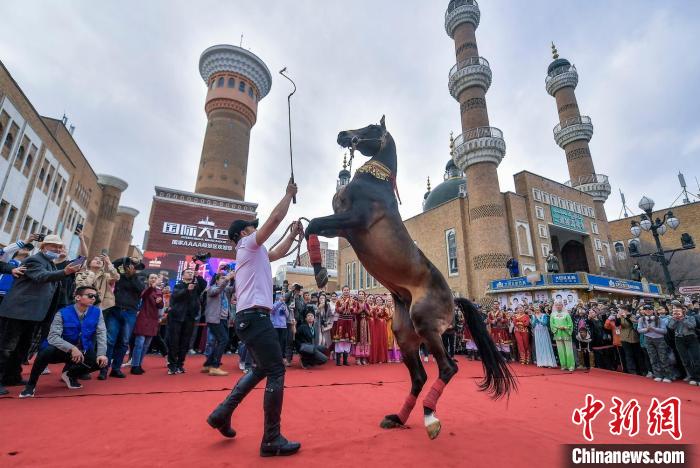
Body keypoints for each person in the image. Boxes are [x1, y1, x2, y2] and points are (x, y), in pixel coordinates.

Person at [207, 178, 302, 457]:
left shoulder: (254, 251)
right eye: (251, 226)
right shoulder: (248, 244)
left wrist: (294, 235)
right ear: (243, 233)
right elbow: (274, 219)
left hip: (250, 319)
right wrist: (287, 195)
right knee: (276, 371)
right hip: (256, 318)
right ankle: (271, 439)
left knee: (261, 369)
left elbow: (279, 251)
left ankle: (222, 413)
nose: (255, 227)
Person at [0, 235, 81, 395]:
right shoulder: (35, 260)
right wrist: (64, 271)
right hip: (17, 311)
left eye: (59, 247)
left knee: (22, 348)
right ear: (43, 247)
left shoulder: (50, 263)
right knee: (5, 347)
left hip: (33, 314)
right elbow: (41, 277)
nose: (57, 250)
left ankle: (12, 376)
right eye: (53, 247)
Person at [19, 286, 108, 397]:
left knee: (102, 362)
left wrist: (101, 354)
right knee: (44, 353)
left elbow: (101, 334)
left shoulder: (97, 312)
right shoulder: (62, 313)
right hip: (59, 350)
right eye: (90, 295)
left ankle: (70, 375)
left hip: (82, 349)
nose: (93, 298)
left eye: (95, 296)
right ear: (78, 297)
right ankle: (30, 386)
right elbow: (53, 337)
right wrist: (72, 348)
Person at [99, 257, 145, 380]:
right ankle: (104, 369)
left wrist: (133, 275)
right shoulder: (119, 275)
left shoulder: (140, 277)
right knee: (110, 340)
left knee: (124, 342)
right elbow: (113, 264)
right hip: (115, 309)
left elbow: (140, 289)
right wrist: (126, 258)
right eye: (130, 264)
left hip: (130, 312)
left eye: (134, 265)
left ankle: (116, 369)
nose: (131, 266)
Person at [167, 268, 206, 375]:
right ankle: (172, 365)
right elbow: (175, 296)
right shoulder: (178, 284)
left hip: (190, 317)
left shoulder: (196, 286)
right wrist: (187, 290)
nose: (190, 274)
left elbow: (204, 285)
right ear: (183, 275)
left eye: (192, 273)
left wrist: (198, 276)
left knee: (185, 342)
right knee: (174, 342)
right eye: (188, 272)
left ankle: (180, 365)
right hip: (176, 317)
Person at [202, 269, 235, 376]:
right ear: (216, 280)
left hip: (223, 319)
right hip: (214, 319)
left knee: (220, 340)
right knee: (223, 340)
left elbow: (235, 288)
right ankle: (215, 367)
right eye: (222, 278)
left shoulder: (226, 291)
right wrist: (227, 279)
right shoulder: (211, 289)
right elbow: (218, 290)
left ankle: (208, 364)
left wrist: (234, 277)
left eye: (225, 277)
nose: (225, 279)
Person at [130, 274, 164, 375]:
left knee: (146, 345)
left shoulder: (159, 291)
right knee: (139, 344)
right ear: (148, 280)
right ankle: (134, 365)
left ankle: (139, 365)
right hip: (143, 317)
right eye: (151, 278)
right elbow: (144, 295)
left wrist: (160, 302)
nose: (153, 279)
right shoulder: (145, 289)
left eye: (155, 278)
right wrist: (153, 286)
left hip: (153, 319)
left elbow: (161, 306)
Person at [667, 301, 700, 386]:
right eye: (674, 310)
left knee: (696, 358)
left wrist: (683, 319)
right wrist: (675, 319)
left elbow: (692, 326)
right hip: (679, 339)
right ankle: (692, 377)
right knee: (685, 360)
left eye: (678, 310)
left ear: (683, 310)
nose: (676, 312)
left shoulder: (690, 317)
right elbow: (671, 327)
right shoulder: (672, 318)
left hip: (691, 338)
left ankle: (698, 377)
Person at [637, 306, 672, 383]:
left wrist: (653, 329)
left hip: (659, 339)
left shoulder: (658, 318)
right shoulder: (641, 319)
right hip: (648, 339)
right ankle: (658, 374)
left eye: (649, 309)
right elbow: (639, 330)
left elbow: (664, 331)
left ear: (653, 310)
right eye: (646, 309)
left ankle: (667, 375)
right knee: (652, 357)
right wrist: (646, 329)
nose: (648, 311)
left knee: (663, 357)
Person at [333, 286, 357, 366]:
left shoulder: (353, 300)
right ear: (342, 291)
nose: (346, 291)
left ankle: (345, 360)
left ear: (349, 291)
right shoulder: (339, 300)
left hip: (349, 321)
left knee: (348, 341)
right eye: (344, 290)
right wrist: (343, 306)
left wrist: (351, 309)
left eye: (347, 290)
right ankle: (338, 361)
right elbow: (337, 310)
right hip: (341, 321)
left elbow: (355, 310)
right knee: (340, 340)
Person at [550, 302, 574, 371]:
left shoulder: (567, 314)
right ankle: (563, 365)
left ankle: (571, 366)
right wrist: (557, 327)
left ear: (562, 306)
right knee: (560, 350)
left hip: (566, 333)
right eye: (557, 305)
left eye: (559, 305)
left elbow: (570, 324)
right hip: (558, 334)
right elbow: (551, 324)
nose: (558, 306)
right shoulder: (553, 314)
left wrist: (565, 327)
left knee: (568, 350)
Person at [270, 293, 290, 365]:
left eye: (282, 297)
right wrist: (279, 302)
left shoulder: (284, 305)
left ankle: (283, 358)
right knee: (275, 343)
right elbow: (272, 311)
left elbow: (287, 315)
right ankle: (274, 359)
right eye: (280, 297)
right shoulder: (273, 304)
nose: (282, 298)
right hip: (275, 326)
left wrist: (285, 308)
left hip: (283, 326)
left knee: (283, 343)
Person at [353, 290, 371, 365]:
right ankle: (358, 358)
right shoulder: (356, 303)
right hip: (358, 322)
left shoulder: (366, 304)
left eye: (362, 294)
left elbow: (370, 313)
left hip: (365, 323)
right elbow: (354, 312)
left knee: (365, 339)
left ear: (364, 295)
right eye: (359, 294)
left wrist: (365, 309)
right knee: (358, 339)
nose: (361, 295)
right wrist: (361, 309)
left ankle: (364, 357)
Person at [370, 295, 389, 363]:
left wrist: (383, 319)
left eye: (380, 300)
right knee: (375, 340)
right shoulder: (373, 307)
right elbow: (371, 315)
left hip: (382, 325)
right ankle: (375, 358)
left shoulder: (384, 308)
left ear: (382, 301)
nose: (379, 301)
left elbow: (387, 316)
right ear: (375, 301)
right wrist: (375, 311)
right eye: (377, 300)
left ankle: (382, 358)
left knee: (382, 340)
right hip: (375, 325)